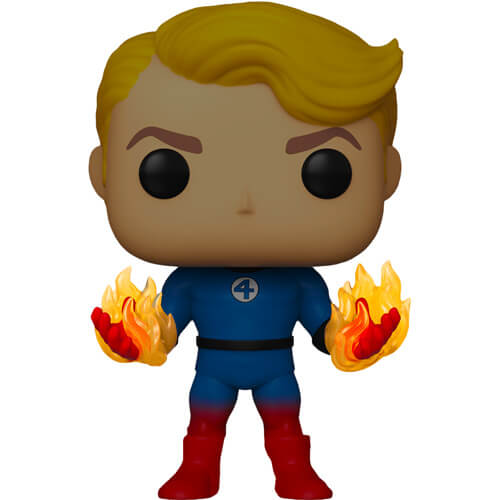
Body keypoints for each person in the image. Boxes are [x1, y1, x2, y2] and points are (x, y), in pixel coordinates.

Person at [89, 3, 403, 499]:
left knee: (285, 425)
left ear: (386, 175)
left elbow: (326, 332)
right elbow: (163, 331)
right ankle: (198, 473)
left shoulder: (300, 281)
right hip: (212, 366)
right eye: (165, 171)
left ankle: (294, 473)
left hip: (277, 366)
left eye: (324, 171)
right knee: (203, 425)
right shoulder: (189, 281)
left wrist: (356, 340)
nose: (245, 203)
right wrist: (135, 340)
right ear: (103, 175)